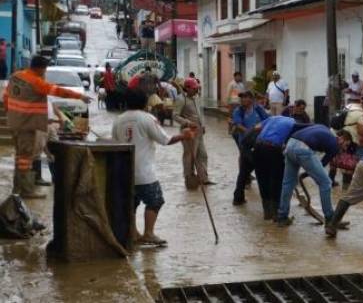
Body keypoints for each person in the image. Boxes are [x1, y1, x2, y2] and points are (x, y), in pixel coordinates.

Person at [111, 88, 196, 246]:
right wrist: (184, 136)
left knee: (131, 203)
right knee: (156, 200)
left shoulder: (118, 120)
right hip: (144, 172)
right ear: (145, 103)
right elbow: (165, 140)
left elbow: (115, 144)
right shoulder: (147, 118)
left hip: (124, 171)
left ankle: (133, 232)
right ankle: (148, 233)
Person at [3, 55, 90, 201]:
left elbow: (6, 97)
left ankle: (17, 189)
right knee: (25, 158)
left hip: (15, 123)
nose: (45, 72)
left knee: (20, 156)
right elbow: (57, 91)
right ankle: (25, 191)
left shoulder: (16, 76)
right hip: (27, 125)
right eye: (45, 69)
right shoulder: (36, 82)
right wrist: (80, 96)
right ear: (40, 69)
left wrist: (12, 114)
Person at [276, 123, 341, 227]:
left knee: (288, 183)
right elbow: (323, 163)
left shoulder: (321, 127)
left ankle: (282, 217)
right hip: (303, 148)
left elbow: (295, 126)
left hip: (290, 144)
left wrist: (306, 173)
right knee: (326, 183)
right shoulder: (335, 144)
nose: (344, 147)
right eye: (346, 143)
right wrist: (306, 174)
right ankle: (330, 219)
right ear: (340, 138)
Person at [253, 116, 300, 221]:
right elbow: (291, 145)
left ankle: (267, 212)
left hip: (258, 146)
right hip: (274, 148)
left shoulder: (272, 118)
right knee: (277, 180)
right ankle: (276, 213)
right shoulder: (293, 123)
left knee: (262, 179)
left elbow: (256, 128)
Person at [230, 91, 270, 205]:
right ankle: (266, 201)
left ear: (251, 99)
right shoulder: (239, 111)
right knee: (256, 168)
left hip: (259, 143)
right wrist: (251, 131)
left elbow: (267, 121)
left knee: (244, 171)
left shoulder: (258, 109)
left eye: (245, 98)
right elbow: (238, 125)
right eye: (241, 98)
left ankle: (238, 198)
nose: (242, 100)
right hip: (246, 143)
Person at [174, 78, 212, 189]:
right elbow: (175, 115)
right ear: (187, 88)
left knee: (203, 154)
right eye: (194, 88)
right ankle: (189, 178)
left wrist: (203, 125)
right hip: (188, 132)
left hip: (199, 131)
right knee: (189, 156)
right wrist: (187, 122)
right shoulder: (181, 99)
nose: (196, 90)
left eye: (197, 88)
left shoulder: (197, 98)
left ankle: (203, 178)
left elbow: (201, 113)